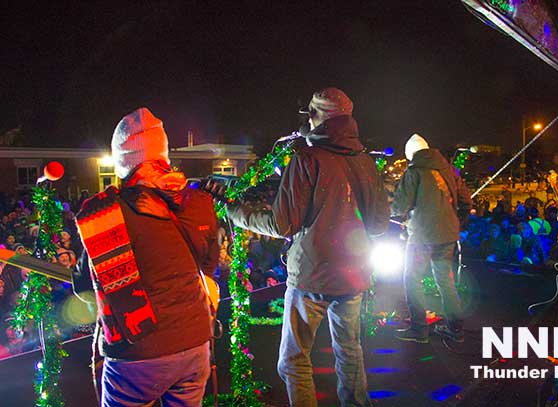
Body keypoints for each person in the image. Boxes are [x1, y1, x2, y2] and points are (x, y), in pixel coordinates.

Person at [226, 88, 389, 407]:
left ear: (319, 118)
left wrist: (235, 211)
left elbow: (280, 224)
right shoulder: (366, 162)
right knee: (350, 351)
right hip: (354, 276)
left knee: (293, 360)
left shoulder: (307, 159)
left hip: (311, 279)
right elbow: (380, 224)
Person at [73, 108, 219, 407]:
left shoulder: (107, 213)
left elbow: (85, 286)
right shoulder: (198, 201)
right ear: (162, 154)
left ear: (123, 160)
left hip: (138, 353)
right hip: (195, 342)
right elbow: (208, 266)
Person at [391, 134, 473, 343]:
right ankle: (456, 329)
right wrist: (457, 221)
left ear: (411, 154)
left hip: (422, 236)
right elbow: (465, 199)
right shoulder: (448, 170)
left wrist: (389, 213)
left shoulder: (414, 171)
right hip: (447, 234)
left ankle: (419, 329)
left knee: (412, 278)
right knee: (445, 280)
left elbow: (400, 206)